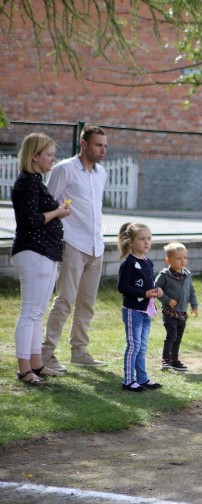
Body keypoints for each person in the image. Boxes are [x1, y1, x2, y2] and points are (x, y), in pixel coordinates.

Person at [41, 125, 109, 372]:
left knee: (87, 303)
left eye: (105, 145)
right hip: (72, 243)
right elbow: (48, 203)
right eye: (98, 145)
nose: (102, 150)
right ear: (84, 144)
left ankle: (79, 351)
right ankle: (46, 352)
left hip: (95, 245)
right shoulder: (64, 169)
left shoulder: (102, 173)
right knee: (65, 300)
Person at [11, 133, 71, 386]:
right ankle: (25, 369)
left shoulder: (36, 182)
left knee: (37, 313)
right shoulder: (28, 183)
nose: (53, 158)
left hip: (45, 253)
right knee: (30, 312)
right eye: (48, 154)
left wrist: (58, 212)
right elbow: (31, 221)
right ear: (34, 157)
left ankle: (36, 363)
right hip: (34, 253)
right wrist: (57, 211)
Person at [116, 223, 163, 392]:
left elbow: (149, 283)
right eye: (142, 238)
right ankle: (128, 380)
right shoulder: (128, 263)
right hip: (133, 310)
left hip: (146, 310)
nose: (146, 242)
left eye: (149, 238)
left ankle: (142, 378)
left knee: (142, 346)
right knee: (134, 345)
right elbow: (123, 287)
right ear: (131, 242)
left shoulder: (147, 262)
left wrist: (157, 289)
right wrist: (144, 293)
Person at [156, 242, 198, 372]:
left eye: (185, 257)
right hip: (170, 312)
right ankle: (165, 359)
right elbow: (155, 289)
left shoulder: (187, 274)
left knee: (178, 337)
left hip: (182, 313)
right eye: (179, 258)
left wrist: (194, 306)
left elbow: (191, 291)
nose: (183, 261)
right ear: (169, 260)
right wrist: (167, 300)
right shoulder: (165, 275)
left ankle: (174, 359)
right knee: (171, 335)